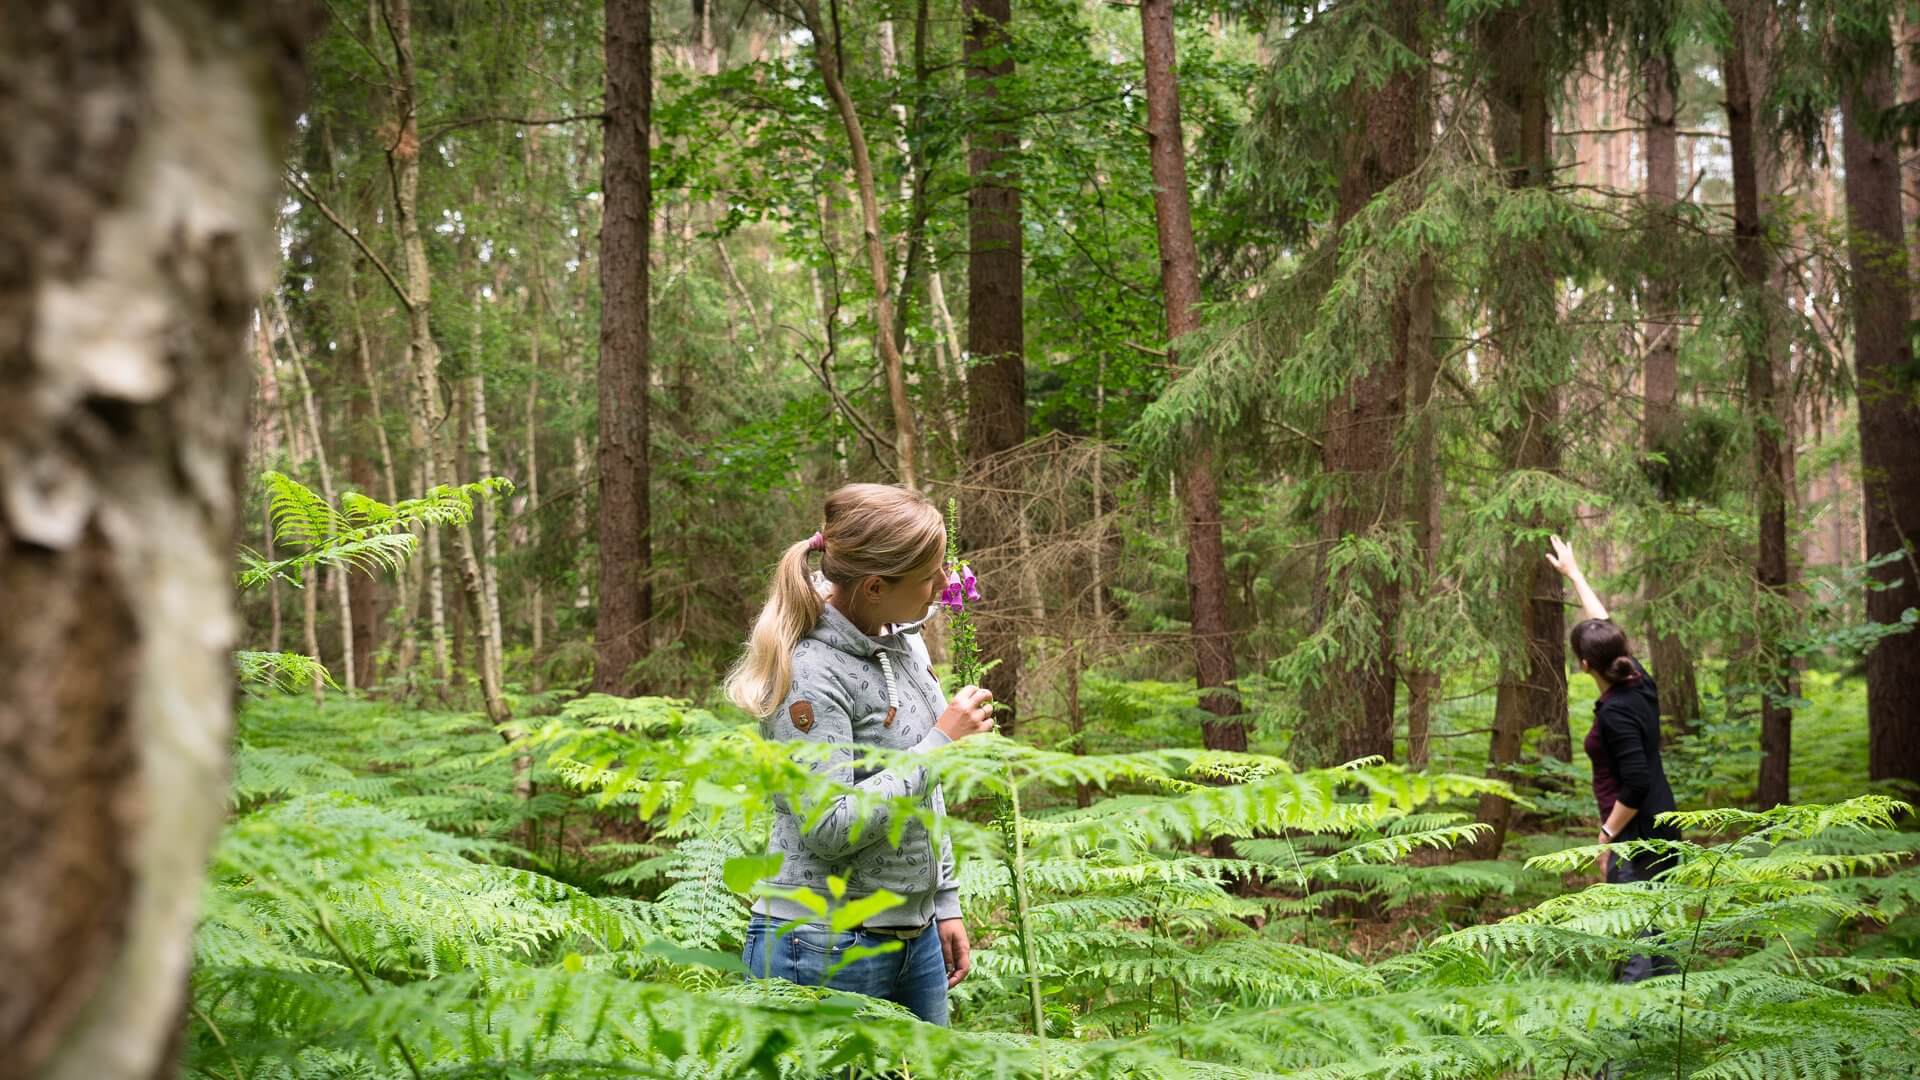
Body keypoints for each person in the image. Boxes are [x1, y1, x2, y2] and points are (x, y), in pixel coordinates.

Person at [726, 483, 997, 1024]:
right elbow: (829, 826)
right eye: (929, 577)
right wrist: (941, 746)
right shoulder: (808, 674)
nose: (943, 586)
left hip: (913, 940)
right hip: (822, 945)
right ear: (875, 586)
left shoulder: (903, 642)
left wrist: (943, 902)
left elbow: (925, 796)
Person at [1546, 535, 1681, 984]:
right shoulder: (1637, 680)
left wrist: (1605, 837)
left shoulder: (1619, 711)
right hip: (1661, 827)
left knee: (1636, 944)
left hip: (1639, 836)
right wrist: (1575, 574)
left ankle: (1623, 1048)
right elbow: (1603, 622)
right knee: (1655, 937)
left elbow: (1636, 783)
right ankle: (1671, 1034)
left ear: (1584, 666)